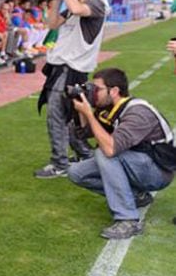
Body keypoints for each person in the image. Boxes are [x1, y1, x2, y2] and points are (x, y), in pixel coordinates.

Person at [67, 68, 173, 239]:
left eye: (97, 89)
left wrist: (88, 113)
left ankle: (128, 220)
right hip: (135, 163)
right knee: (76, 173)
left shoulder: (137, 112)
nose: (93, 93)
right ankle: (136, 195)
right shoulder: (109, 108)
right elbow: (85, 132)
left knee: (104, 153)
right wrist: (81, 105)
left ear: (114, 90)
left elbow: (110, 149)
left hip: (158, 171)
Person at [34, 0, 109, 179]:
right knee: (70, 117)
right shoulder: (72, 4)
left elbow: (78, 10)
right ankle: (85, 155)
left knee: (56, 115)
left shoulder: (96, 3)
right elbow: (52, 23)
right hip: (62, 67)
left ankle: (60, 163)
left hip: (72, 68)